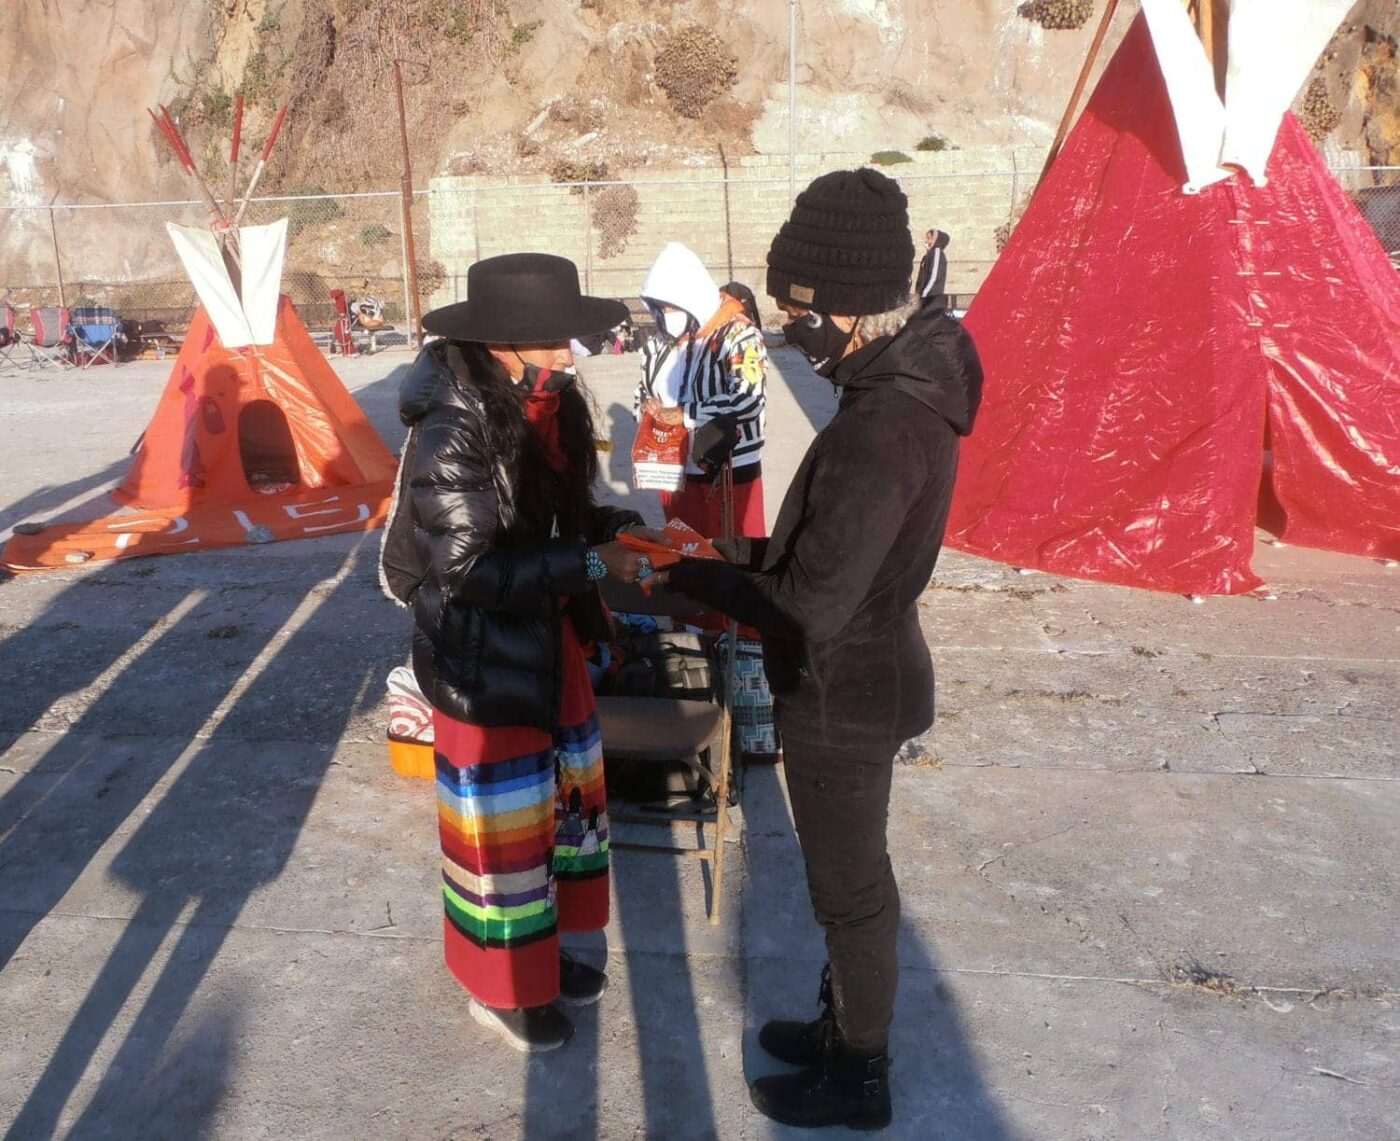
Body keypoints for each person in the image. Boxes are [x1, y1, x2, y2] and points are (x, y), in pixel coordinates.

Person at [664, 170, 983, 1130]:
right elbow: (825, 551)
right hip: (864, 665)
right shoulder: (896, 387)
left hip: (844, 688)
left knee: (850, 890)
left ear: (850, 310)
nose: (791, 338)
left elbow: (808, 602)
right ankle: (841, 1020)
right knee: (846, 881)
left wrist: (690, 581)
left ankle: (861, 1071)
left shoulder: (882, 428)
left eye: (801, 317)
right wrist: (727, 553)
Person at [378, 252, 661, 1053]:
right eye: (552, 340)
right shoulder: (454, 423)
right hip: (484, 656)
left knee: (560, 811)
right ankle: (498, 987)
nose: (570, 353)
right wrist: (595, 565)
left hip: (549, 638)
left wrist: (624, 533)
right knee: (501, 834)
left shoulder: (550, 405)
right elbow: (467, 570)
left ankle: (542, 954)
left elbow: (562, 522)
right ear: (503, 345)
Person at [635, 241, 768, 539]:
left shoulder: (739, 336)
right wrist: (646, 411)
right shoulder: (657, 345)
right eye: (660, 308)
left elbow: (749, 400)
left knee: (732, 555)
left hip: (728, 470)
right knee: (684, 551)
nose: (666, 315)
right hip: (673, 468)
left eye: (672, 307)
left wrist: (685, 414)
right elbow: (641, 392)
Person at [915, 227, 951, 309]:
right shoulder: (929, 255)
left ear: (935, 239)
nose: (927, 241)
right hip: (925, 297)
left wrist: (924, 294)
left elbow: (934, 276)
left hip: (931, 297)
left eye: (929, 238)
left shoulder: (937, 252)